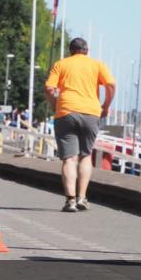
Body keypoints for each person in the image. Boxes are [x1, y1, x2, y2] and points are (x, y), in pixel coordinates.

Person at [44, 37, 115, 213]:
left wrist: (54, 104)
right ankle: (82, 197)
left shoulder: (61, 64)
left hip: (66, 112)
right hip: (91, 113)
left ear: (70, 51)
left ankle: (70, 201)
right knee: (85, 156)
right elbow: (111, 85)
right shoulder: (97, 65)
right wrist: (106, 106)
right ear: (87, 51)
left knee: (69, 159)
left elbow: (49, 88)